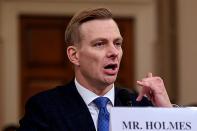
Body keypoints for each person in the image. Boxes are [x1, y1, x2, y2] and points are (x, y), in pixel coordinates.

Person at [16, 7, 172, 131]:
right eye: (100, 44)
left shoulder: (141, 106)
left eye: (117, 43)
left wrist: (169, 114)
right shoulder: (46, 108)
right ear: (74, 55)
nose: (114, 52)